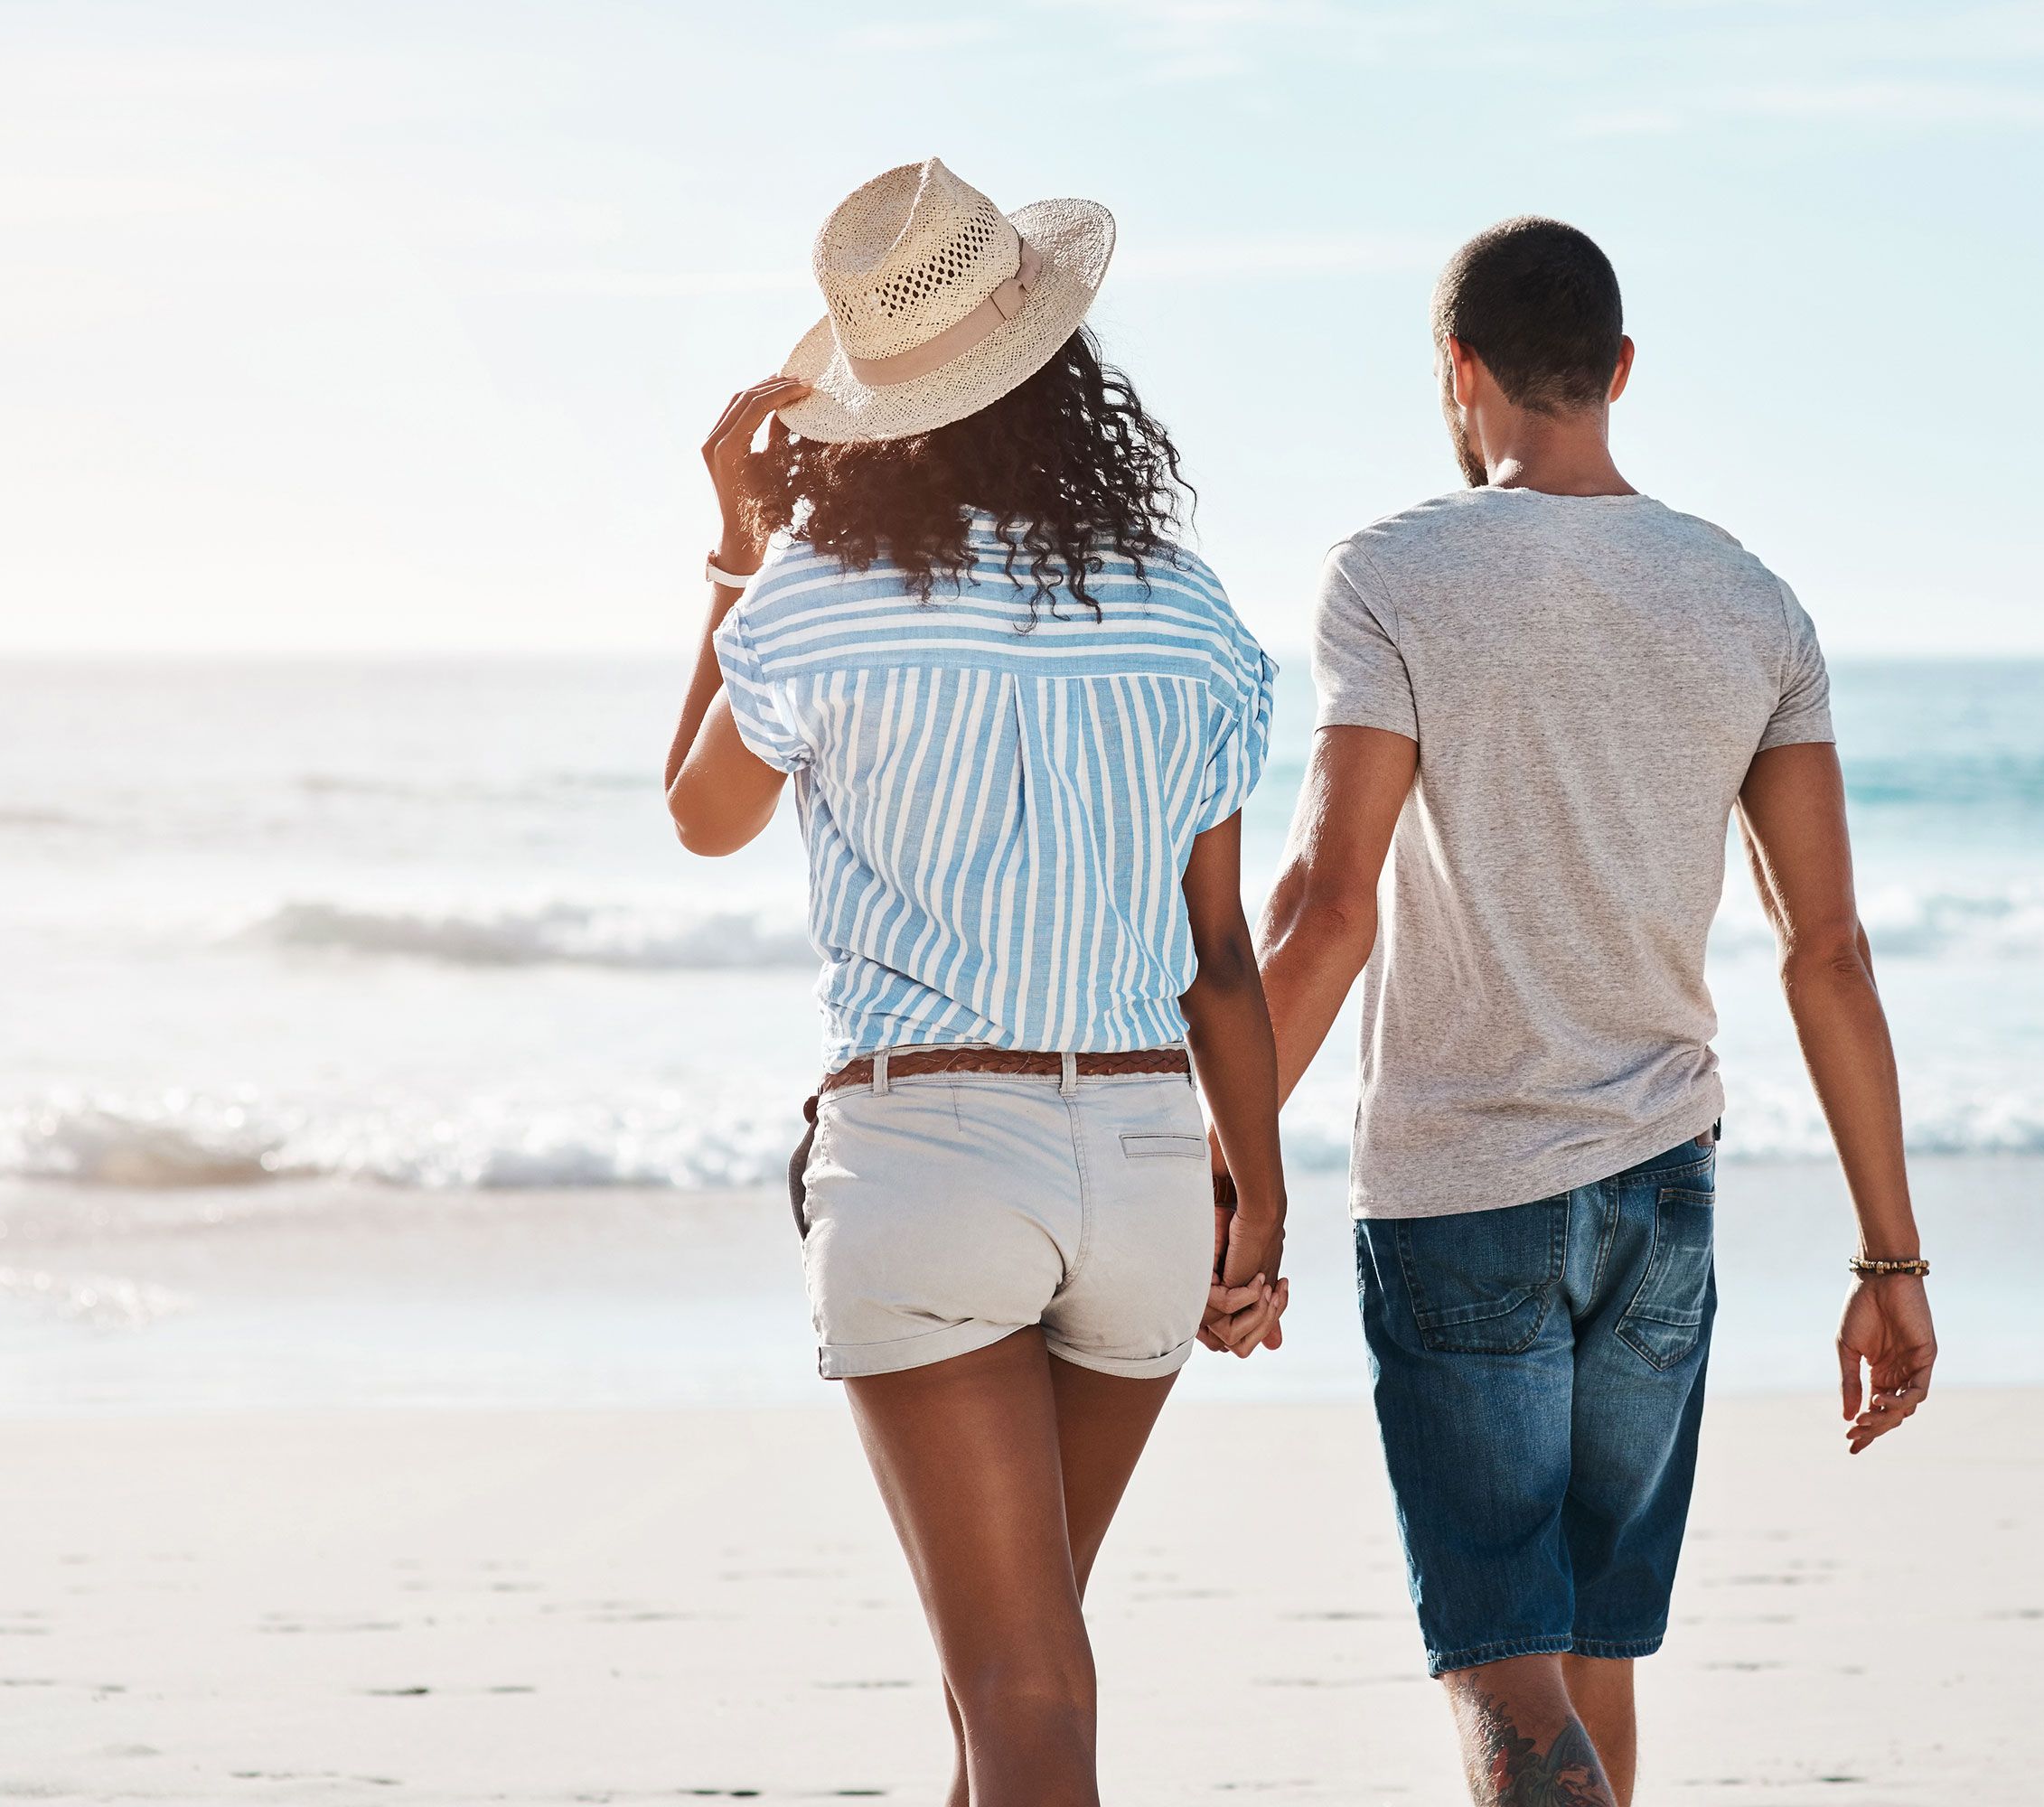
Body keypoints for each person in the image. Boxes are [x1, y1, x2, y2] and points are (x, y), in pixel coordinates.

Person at [1242, 217, 1938, 1806]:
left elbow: (1328, 903)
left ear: (1457, 371)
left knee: (1503, 1663)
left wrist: (1223, 1159)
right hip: (1661, 1195)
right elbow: (1826, 949)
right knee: (1592, 1654)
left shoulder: (1395, 572)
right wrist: (1889, 1258)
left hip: (1462, 1186)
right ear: (1620, 373)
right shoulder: (1749, 601)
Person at [661, 158, 1290, 1807]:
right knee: (1017, 1687)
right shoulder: (1188, 612)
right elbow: (1221, 956)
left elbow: (701, 820)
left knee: (1019, 1697)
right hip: (1155, 1169)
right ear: (1064, 370)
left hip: (930, 1157)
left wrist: (734, 554)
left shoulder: (814, 596)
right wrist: (1264, 1212)